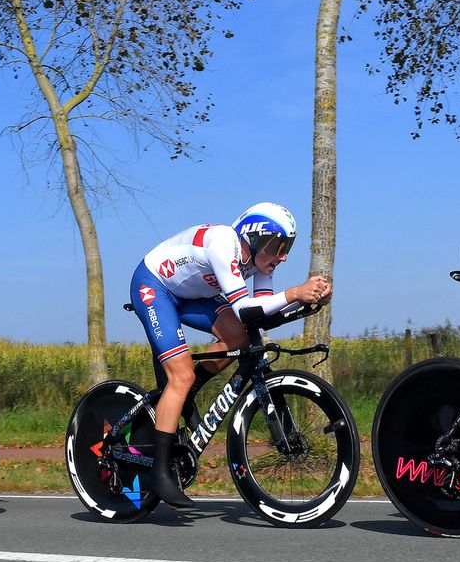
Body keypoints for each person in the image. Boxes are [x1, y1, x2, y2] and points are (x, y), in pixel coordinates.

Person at [130, 202, 332, 508]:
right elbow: (245, 308)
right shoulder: (224, 242)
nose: (284, 256)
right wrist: (294, 293)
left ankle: (187, 393)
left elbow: (263, 314)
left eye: (287, 246)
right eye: (279, 246)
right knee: (180, 374)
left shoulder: (260, 263)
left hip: (191, 295)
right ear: (256, 238)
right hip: (154, 287)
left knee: (238, 336)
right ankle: (159, 472)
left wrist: (308, 301)